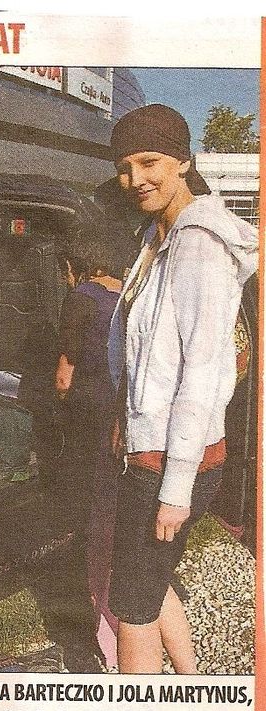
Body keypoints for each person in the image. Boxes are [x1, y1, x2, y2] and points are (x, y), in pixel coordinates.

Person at [106, 104, 258, 673]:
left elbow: (202, 371)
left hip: (173, 459)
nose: (136, 179)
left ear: (184, 162)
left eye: (150, 162)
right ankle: (190, 686)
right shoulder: (156, 236)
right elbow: (145, 351)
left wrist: (175, 487)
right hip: (153, 449)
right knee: (148, 583)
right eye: (125, 168)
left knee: (131, 606)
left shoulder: (199, 243)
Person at [54, 230, 126, 668]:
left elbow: (64, 377)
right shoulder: (127, 290)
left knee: (94, 518)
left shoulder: (81, 297)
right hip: (126, 417)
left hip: (91, 418)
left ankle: (103, 619)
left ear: (73, 266)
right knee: (117, 511)